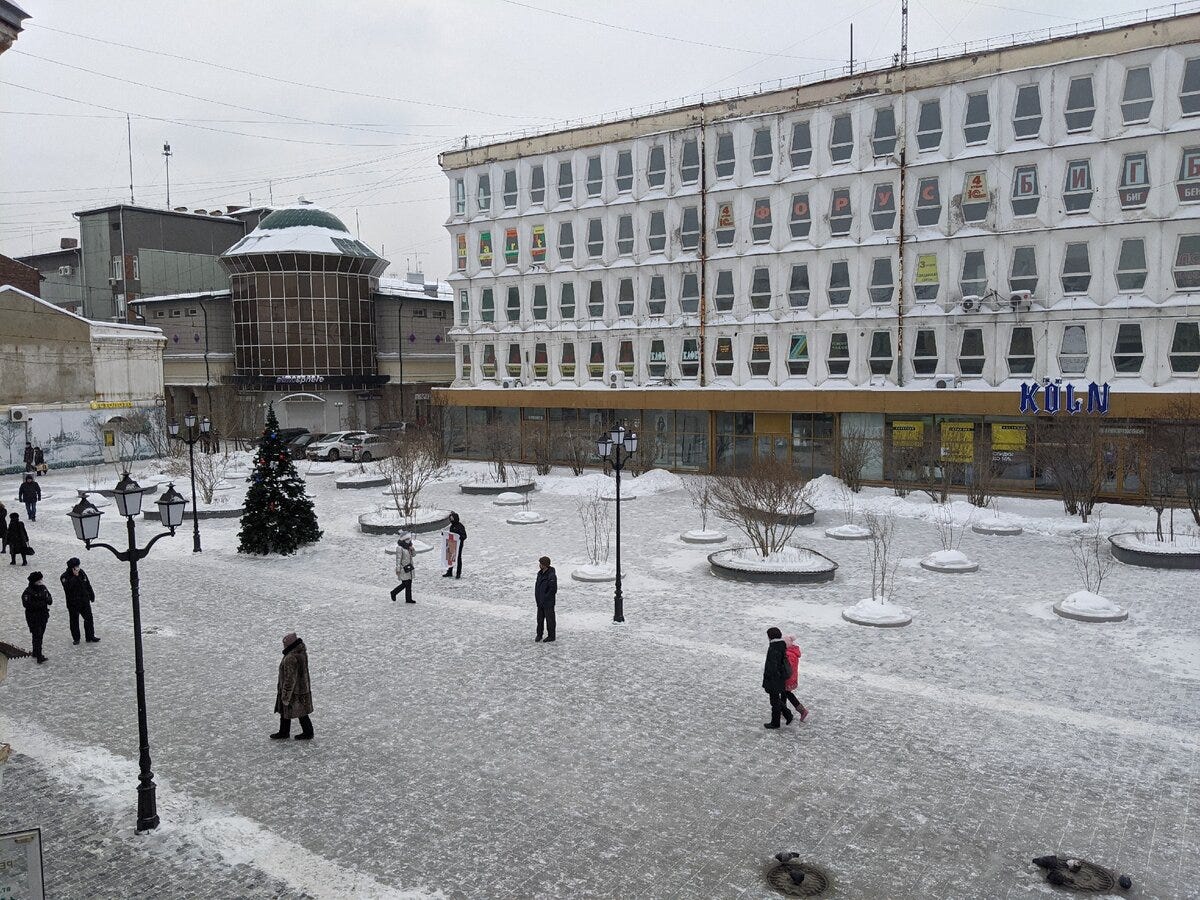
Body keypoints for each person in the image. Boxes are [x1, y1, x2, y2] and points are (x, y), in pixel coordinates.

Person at [271, 632, 314, 741]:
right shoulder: (301, 652)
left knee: (293, 710)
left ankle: (293, 732)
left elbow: (290, 679)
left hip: (294, 691)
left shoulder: (291, 657)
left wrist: (286, 694)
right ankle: (286, 731)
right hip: (302, 688)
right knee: (300, 711)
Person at [60, 557, 99, 644]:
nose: (78, 568)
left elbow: (87, 584)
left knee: (89, 618)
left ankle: (90, 636)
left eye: (78, 566)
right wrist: (75, 576)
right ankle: (76, 638)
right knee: (74, 621)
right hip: (73, 603)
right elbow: (68, 588)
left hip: (84, 600)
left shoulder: (82, 572)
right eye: (76, 566)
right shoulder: (64, 577)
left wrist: (91, 594)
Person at [762, 627, 793, 729]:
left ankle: (775, 723)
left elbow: (772, 666)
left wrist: (768, 678)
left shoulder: (774, 647)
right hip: (779, 678)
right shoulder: (780, 646)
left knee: (774, 701)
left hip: (774, 679)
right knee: (775, 699)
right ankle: (787, 714)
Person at [22, 571, 52, 664]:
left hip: (43, 616)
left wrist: (46, 600)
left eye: (41, 580)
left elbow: (50, 599)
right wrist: (43, 602)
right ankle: (39, 655)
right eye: (38, 581)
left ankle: (36, 652)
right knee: (37, 635)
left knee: (40, 635)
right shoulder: (28, 592)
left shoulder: (43, 588)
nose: (41, 582)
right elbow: (28, 605)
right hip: (33, 618)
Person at [782, 635, 809, 722]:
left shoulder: (789, 654)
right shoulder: (792, 652)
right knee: (784, 693)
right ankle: (783, 710)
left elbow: (786, 667)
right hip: (790, 677)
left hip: (788, 678)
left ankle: (802, 710)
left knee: (787, 693)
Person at [535, 555, 557, 643]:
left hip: (548, 603)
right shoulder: (540, 574)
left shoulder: (551, 576)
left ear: (545, 565)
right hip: (540, 602)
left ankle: (551, 636)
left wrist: (545, 598)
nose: (539, 565)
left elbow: (553, 590)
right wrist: (538, 599)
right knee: (539, 620)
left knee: (550, 620)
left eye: (540, 563)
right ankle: (539, 635)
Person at [390, 534, 416, 603]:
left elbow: (413, 555)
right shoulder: (400, 548)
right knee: (405, 583)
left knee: (409, 583)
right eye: (407, 539)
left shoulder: (409, 546)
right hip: (403, 568)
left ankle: (408, 599)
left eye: (409, 539)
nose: (409, 540)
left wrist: (412, 549)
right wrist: (398, 569)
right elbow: (398, 559)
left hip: (409, 568)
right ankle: (394, 592)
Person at [443, 511, 466, 578]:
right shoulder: (452, 526)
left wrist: (459, 537)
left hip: (459, 545)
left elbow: (464, 536)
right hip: (452, 544)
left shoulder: (460, 526)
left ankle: (458, 573)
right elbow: (450, 535)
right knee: (450, 558)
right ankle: (449, 571)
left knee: (458, 558)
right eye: (450, 518)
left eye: (452, 518)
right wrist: (445, 535)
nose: (451, 520)